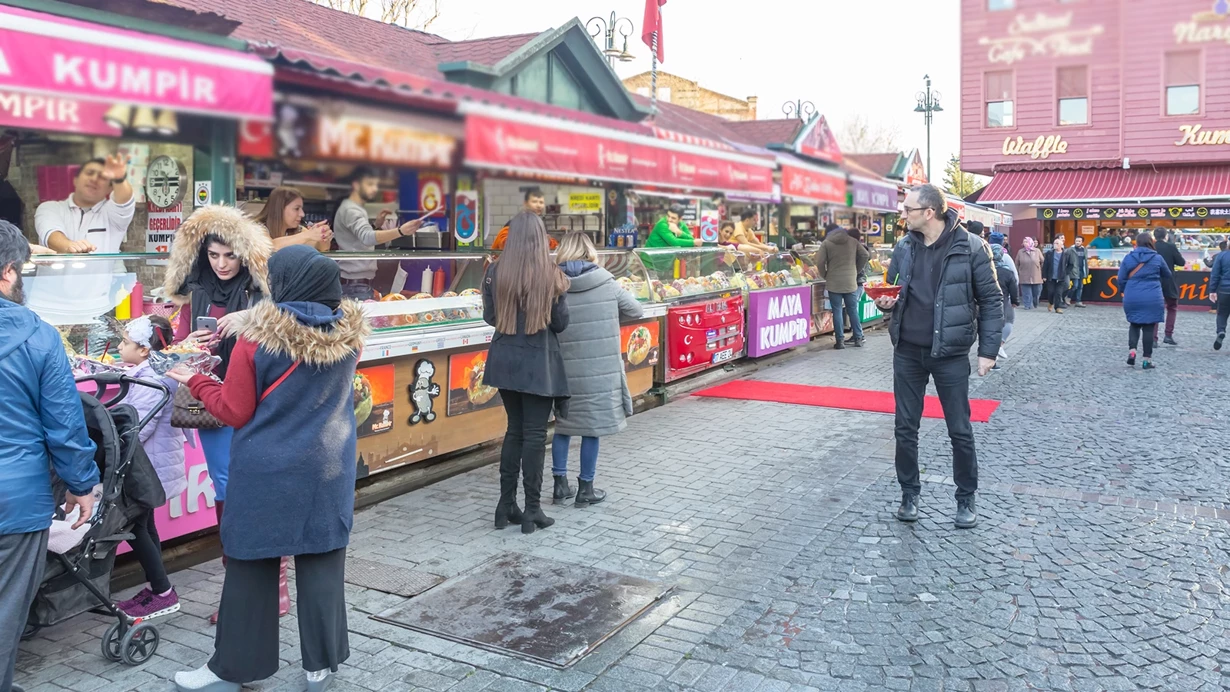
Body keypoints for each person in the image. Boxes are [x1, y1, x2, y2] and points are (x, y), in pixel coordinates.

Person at [167, 245, 367, 692]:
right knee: (321, 561)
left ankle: (233, 669)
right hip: (329, 468)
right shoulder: (351, 337)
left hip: (267, 472)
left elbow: (234, 411)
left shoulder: (256, 342)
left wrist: (195, 380)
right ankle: (321, 666)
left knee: (250, 565)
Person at [162, 205, 290, 623]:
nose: (220, 264)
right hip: (213, 401)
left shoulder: (262, 292)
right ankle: (243, 589)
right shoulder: (196, 288)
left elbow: (288, 338)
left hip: (261, 401)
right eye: (213, 255)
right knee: (226, 489)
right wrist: (190, 343)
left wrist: (250, 321)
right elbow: (179, 346)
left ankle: (273, 586)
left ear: (244, 255)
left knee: (258, 490)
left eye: (229, 256)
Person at [0, 220, 99, 692]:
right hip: (15, 500)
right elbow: (65, 424)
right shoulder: (38, 336)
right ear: (8, 273)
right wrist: (83, 484)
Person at [873, 184, 1002, 530]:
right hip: (908, 350)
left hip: (950, 353)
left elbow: (991, 300)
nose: (902, 215)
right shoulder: (904, 247)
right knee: (905, 427)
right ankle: (909, 494)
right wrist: (884, 304)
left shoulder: (972, 247)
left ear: (929, 212)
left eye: (907, 210)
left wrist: (988, 351)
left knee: (959, 429)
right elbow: (892, 290)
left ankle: (965, 498)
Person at [482, 212, 571, 534]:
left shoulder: (495, 271)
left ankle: (506, 505)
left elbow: (490, 317)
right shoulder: (551, 274)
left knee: (514, 431)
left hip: (504, 359)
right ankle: (533, 510)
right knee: (534, 435)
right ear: (539, 238)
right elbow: (560, 324)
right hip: (539, 364)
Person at [550, 233, 643, 507]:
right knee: (591, 429)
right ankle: (585, 490)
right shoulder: (607, 283)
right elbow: (636, 310)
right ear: (591, 253)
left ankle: (559, 487)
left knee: (563, 428)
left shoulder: (553, 284)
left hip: (562, 369)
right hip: (599, 369)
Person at [111, 315, 187, 620]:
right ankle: (159, 589)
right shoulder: (153, 372)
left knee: (136, 526)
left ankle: (163, 591)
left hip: (147, 466)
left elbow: (137, 428)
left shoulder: (149, 380)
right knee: (145, 524)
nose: (119, 346)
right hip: (153, 464)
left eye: (125, 342)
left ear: (144, 350)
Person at [332, 167, 424, 300]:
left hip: (356, 285)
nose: (375, 189)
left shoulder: (352, 208)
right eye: (369, 184)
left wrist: (376, 225)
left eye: (375, 185)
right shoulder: (351, 210)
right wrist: (400, 231)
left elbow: (357, 238)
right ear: (356, 185)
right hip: (356, 287)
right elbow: (367, 238)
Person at [34, 154, 133, 254]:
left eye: (102, 177)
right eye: (89, 173)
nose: (94, 179)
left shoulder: (112, 215)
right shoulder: (49, 208)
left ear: (110, 188)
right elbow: (51, 237)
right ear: (75, 180)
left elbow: (124, 199)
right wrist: (69, 246)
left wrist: (119, 179)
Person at [1118, 233, 1171, 370]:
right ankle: (1147, 360)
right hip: (1152, 296)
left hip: (1132, 295)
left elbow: (1121, 278)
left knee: (1134, 324)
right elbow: (1168, 274)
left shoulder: (1129, 257)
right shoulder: (1157, 258)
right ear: (1151, 242)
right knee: (1149, 327)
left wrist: (1125, 290)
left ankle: (1132, 351)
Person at [814, 223, 870, 349]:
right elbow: (865, 255)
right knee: (852, 310)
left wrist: (825, 275)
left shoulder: (827, 243)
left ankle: (840, 341)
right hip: (850, 281)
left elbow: (820, 262)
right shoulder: (852, 241)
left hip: (834, 281)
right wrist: (856, 269)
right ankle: (858, 338)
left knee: (837, 310)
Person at [254, 186, 332, 251]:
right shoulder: (256, 228)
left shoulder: (299, 230)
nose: (302, 214)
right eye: (296, 208)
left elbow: (321, 248)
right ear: (280, 209)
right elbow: (272, 246)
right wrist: (308, 235)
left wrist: (323, 236)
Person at [490, 189, 558, 251]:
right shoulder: (514, 224)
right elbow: (503, 243)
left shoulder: (541, 226)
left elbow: (553, 246)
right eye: (534, 201)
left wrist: (548, 242)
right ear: (525, 203)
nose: (538, 205)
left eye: (541, 202)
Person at [1152, 228, 1186, 346]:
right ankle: (1168, 335)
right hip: (1168, 281)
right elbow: (1181, 262)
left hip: (1153, 281)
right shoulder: (1171, 247)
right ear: (1166, 236)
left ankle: (1153, 338)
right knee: (1172, 307)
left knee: (1155, 309)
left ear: (1154, 236)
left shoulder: (1151, 247)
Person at [990, 242, 1020, 368]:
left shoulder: (984, 269)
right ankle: (999, 346)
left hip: (985, 302)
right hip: (1003, 302)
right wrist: (1015, 301)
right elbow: (1014, 289)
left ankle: (989, 354)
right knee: (1008, 321)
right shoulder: (1007, 272)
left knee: (988, 329)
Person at [1015, 236, 1044, 310]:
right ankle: (1027, 305)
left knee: (1037, 292)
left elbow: (1042, 262)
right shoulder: (1020, 252)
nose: (1025, 243)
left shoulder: (1037, 251)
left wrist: (1039, 269)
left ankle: (1035, 302)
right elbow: (1017, 263)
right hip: (1024, 275)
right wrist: (1017, 272)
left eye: (1026, 242)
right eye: (1024, 242)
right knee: (1026, 293)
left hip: (1036, 275)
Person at [1042, 237, 1068, 313]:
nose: (1055, 245)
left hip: (1061, 277)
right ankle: (1050, 303)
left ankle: (1057, 308)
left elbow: (1071, 264)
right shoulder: (1049, 253)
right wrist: (1044, 276)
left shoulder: (1066, 254)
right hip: (1051, 276)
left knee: (1059, 293)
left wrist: (1066, 272)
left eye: (1057, 243)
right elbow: (1045, 265)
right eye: (1054, 243)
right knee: (1051, 292)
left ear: (1061, 245)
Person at [1063, 235, 1090, 308]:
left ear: (1082, 242)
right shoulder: (1070, 249)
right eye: (1076, 241)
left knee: (1080, 287)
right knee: (1075, 285)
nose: (1077, 242)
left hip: (1081, 270)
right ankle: (1068, 297)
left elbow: (1085, 261)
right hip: (1074, 270)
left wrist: (1086, 270)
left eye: (1079, 241)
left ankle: (1078, 301)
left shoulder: (1084, 249)